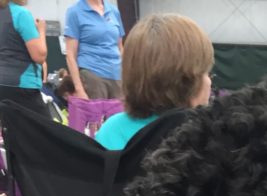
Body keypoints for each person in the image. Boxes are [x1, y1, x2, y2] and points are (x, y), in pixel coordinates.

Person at [94, 14, 213, 150]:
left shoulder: (111, 130)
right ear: (187, 81)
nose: (209, 82)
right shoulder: (204, 140)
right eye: (206, 73)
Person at [0, 0, 49, 118]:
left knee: (12, 131)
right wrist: (41, 30)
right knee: (44, 131)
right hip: (22, 84)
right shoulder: (22, 14)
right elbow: (39, 56)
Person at [64, 0, 125, 101]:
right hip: (92, 74)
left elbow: (120, 47)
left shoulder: (114, 11)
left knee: (119, 115)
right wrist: (79, 89)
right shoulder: (75, 11)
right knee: (97, 116)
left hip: (117, 75)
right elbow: (70, 54)